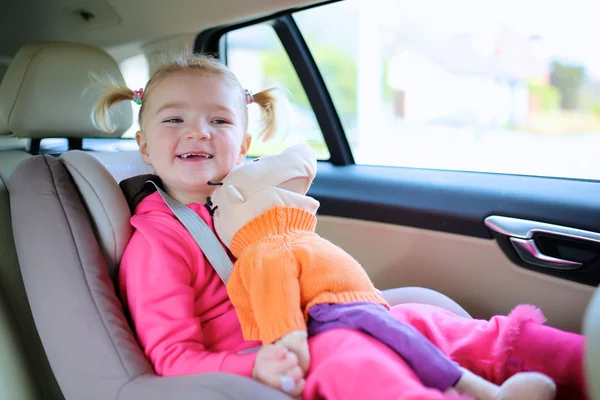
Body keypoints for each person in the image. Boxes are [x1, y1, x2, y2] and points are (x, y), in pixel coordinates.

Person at [92, 52, 587, 400]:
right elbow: (173, 356)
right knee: (354, 358)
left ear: (244, 146)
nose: (198, 131)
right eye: (174, 120)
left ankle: (576, 362)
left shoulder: (255, 208)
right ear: (144, 147)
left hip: (323, 317)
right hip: (272, 350)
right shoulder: (158, 243)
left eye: (219, 121)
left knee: (421, 319)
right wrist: (253, 365)